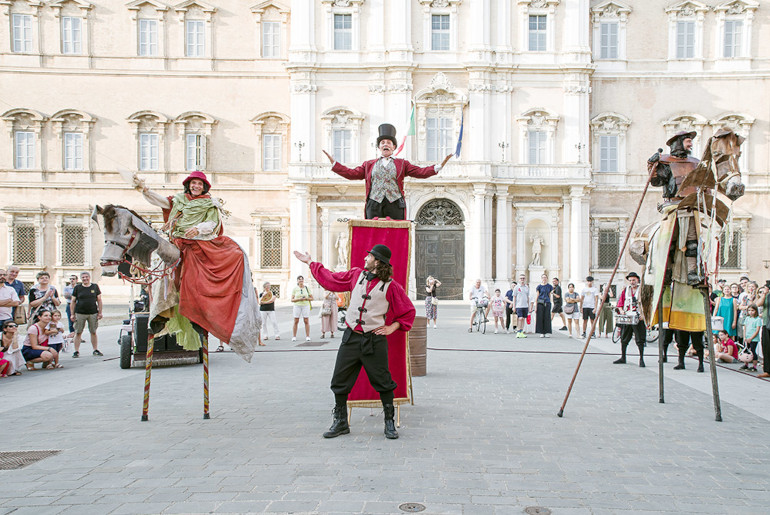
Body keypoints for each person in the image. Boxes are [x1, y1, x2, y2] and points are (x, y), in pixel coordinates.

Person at [294, 244, 416, 440]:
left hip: (374, 340)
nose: (364, 258)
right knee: (339, 380)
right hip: (351, 338)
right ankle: (341, 422)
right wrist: (310, 262)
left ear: (377, 261)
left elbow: (408, 311)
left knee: (383, 382)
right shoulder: (355, 275)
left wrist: (391, 328)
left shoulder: (391, 286)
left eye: (368, 256)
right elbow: (331, 280)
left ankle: (389, 422)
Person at [134, 170, 260, 359]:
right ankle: (160, 314)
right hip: (176, 241)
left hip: (197, 243)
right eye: (193, 183)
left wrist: (198, 228)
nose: (196, 186)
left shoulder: (210, 203)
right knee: (160, 267)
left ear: (204, 187)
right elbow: (159, 201)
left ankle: (199, 313)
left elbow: (212, 223)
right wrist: (144, 189)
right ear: (188, 185)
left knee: (231, 255)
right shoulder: (177, 200)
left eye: (200, 184)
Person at [322, 124, 452, 220]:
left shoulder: (402, 164)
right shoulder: (369, 165)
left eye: (389, 142)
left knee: (395, 233)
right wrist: (335, 164)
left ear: (394, 147)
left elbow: (420, 172)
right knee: (374, 233)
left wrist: (438, 166)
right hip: (374, 203)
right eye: (383, 142)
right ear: (379, 147)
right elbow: (351, 174)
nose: (386, 144)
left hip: (394, 203)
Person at [613, 272, 647, 367]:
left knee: (640, 339)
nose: (632, 282)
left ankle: (641, 359)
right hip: (627, 317)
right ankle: (623, 357)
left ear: (637, 280)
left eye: (634, 280)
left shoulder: (642, 290)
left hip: (638, 317)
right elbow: (620, 303)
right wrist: (621, 310)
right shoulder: (626, 290)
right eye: (631, 280)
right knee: (624, 338)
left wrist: (644, 315)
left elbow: (647, 304)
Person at [70, 272, 103, 358]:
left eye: (86, 277)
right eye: (83, 277)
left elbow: (99, 300)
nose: (85, 279)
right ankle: (76, 351)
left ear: (89, 277)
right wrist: (72, 314)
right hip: (80, 313)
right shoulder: (78, 288)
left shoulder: (94, 287)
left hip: (93, 312)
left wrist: (100, 312)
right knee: (78, 332)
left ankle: (95, 349)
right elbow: (73, 301)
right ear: (81, 279)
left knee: (93, 331)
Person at [291, 275, 313, 342]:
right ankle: (294, 336)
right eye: (299, 279)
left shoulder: (307, 288)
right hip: (297, 305)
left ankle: (307, 336)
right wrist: (298, 299)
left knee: (306, 320)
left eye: (302, 279)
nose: (301, 281)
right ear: (297, 281)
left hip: (305, 305)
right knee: (296, 320)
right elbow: (292, 299)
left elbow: (312, 298)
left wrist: (306, 298)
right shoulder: (295, 289)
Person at [741, 304, 762, 372]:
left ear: (756, 311)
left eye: (752, 310)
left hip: (753, 338)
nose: (750, 312)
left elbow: (757, 330)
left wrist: (751, 338)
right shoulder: (747, 318)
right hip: (747, 337)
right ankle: (746, 364)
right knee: (746, 351)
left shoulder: (758, 319)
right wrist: (744, 337)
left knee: (753, 351)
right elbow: (745, 328)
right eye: (749, 310)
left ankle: (754, 366)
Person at [755, 284, 770, 378]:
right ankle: (768, 370)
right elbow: (757, 304)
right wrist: (764, 293)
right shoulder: (766, 295)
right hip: (766, 323)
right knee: (767, 347)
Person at [534, 274, 553, 338]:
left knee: (547, 317)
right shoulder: (539, 286)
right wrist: (536, 306)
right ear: (541, 278)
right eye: (543, 277)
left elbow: (550, 295)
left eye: (545, 277)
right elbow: (537, 296)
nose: (544, 279)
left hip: (547, 302)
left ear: (547, 278)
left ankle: (546, 331)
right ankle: (541, 332)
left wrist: (550, 302)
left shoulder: (549, 286)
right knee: (540, 317)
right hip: (540, 303)